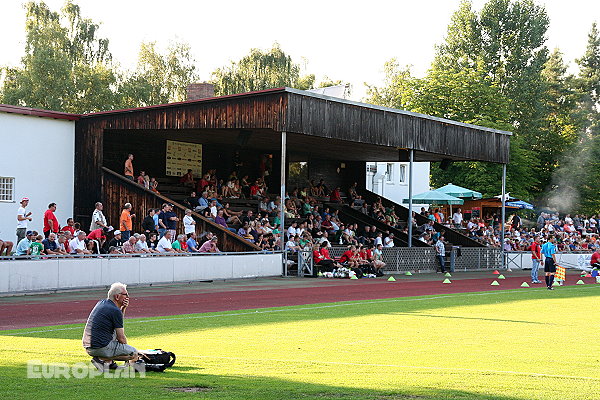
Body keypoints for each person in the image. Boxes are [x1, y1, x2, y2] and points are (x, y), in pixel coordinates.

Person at [83, 282, 140, 371]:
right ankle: (102, 359)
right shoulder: (114, 310)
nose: (127, 297)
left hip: (89, 346)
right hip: (100, 348)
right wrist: (127, 350)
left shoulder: (102, 303)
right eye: (125, 295)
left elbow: (116, 321)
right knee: (134, 354)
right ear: (117, 297)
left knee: (113, 334)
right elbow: (121, 338)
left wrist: (123, 308)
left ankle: (108, 363)